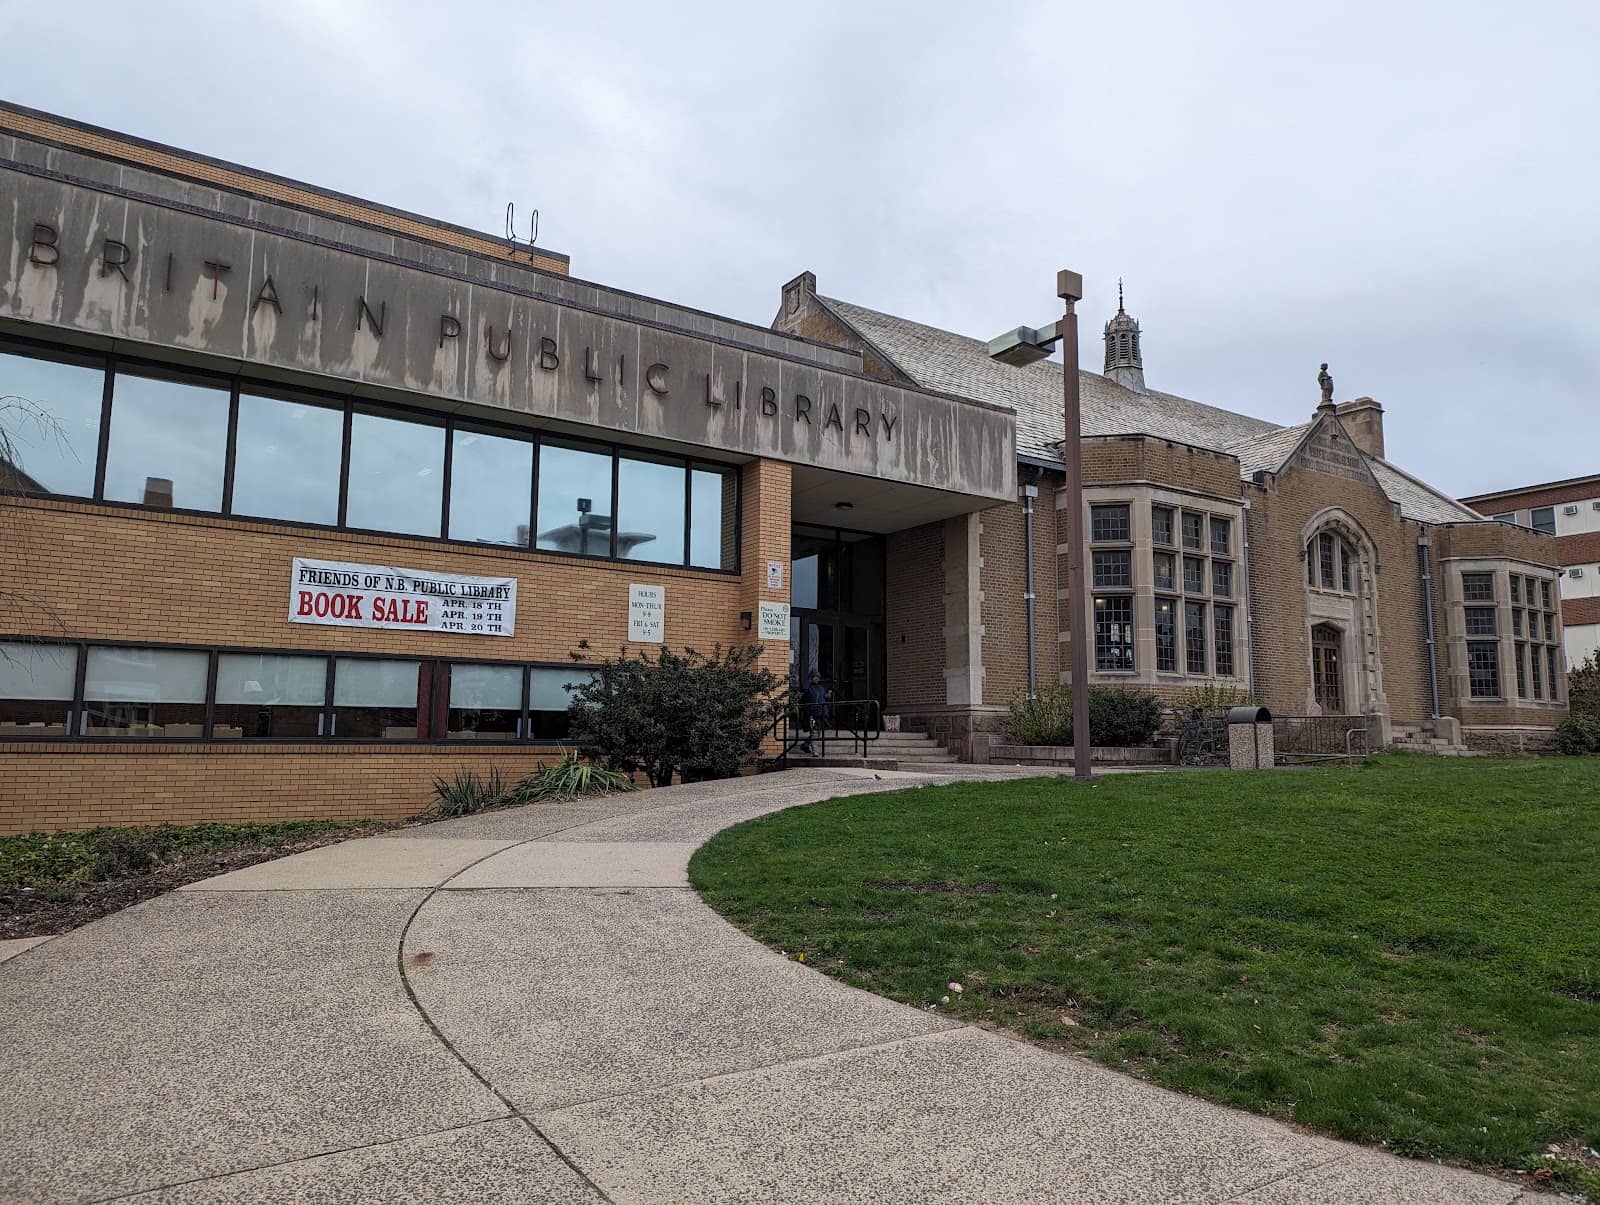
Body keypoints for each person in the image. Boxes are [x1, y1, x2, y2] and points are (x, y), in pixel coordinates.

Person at [800, 671, 828, 754]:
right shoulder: (808, 687)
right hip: (811, 713)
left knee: (817, 733)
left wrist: (825, 713)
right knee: (814, 732)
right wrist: (808, 681)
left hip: (821, 713)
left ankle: (805, 745)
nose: (817, 678)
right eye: (815, 677)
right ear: (811, 678)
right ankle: (815, 751)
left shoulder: (821, 688)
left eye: (818, 677)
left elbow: (823, 698)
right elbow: (804, 691)